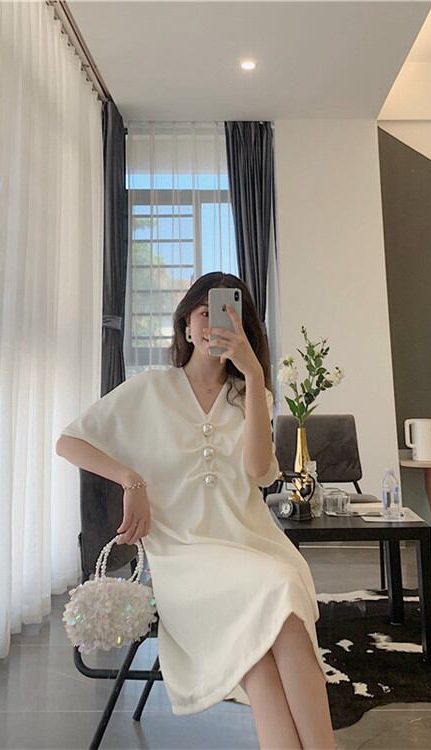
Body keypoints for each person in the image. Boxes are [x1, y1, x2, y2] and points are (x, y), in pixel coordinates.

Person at [56, 272, 336, 750]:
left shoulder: (251, 394)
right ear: (186, 325)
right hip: (184, 554)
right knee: (281, 591)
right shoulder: (149, 389)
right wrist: (131, 478)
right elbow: (69, 442)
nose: (216, 324)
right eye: (206, 313)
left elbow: (258, 471)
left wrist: (254, 376)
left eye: (230, 314)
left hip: (251, 543)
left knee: (261, 653)